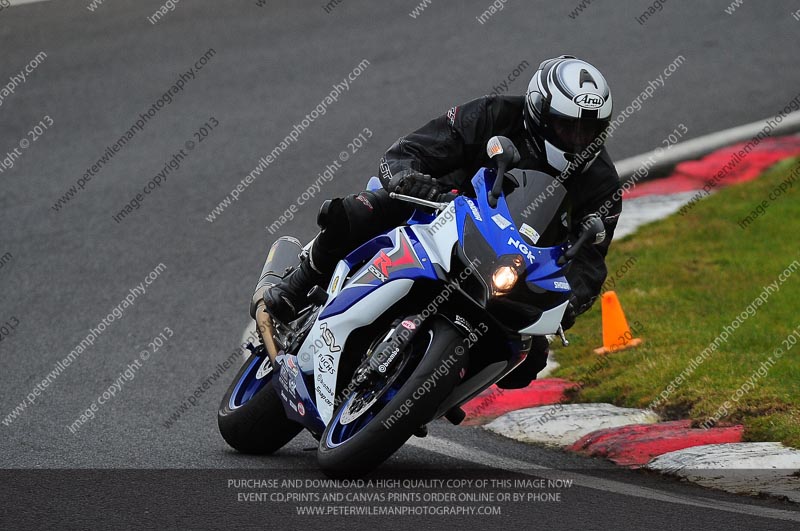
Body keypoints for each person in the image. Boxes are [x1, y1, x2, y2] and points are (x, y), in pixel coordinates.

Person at [257, 55, 622, 389]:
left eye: (588, 131)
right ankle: (294, 288)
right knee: (355, 213)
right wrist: (407, 177)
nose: (577, 139)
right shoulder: (493, 114)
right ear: (539, 112)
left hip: (512, 265)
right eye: (566, 127)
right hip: (439, 210)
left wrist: (568, 304)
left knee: (526, 360)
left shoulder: (602, 182)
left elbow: (590, 260)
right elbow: (412, 149)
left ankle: (430, 390)